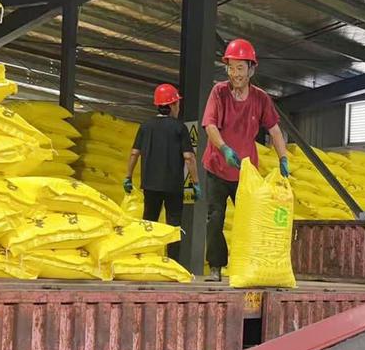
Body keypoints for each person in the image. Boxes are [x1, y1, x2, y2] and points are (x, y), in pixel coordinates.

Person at [202, 38, 290, 282]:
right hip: (217, 167)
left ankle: (248, 266)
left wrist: (283, 157)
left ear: (251, 69)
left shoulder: (261, 99)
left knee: (251, 219)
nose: (235, 74)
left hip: (246, 172)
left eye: (240, 68)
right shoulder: (219, 92)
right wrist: (224, 149)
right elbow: (210, 125)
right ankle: (216, 267)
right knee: (215, 218)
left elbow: (274, 130)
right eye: (231, 68)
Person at [124, 83, 201, 263]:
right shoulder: (180, 128)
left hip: (150, 184)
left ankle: (144, 259)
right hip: (173, 186)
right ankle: (171, 263)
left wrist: (128, 177)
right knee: (174, 225)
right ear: (173, 104)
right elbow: (189, 157)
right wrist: (196, 183)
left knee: (149, 222)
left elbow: (134, 153)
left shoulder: (145, 126)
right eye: (178, 103)